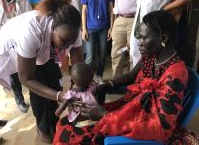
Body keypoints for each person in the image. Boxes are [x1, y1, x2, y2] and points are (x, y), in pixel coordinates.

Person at [53, 11, 189, 144]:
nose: (139, 43)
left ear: (163, 38)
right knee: (65, 122)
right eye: (138, 37)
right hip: (132, 109)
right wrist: (108, 84)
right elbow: (131, 75)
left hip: (144, 124)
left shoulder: (176, 73)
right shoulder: (151, 56)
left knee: (74, 135)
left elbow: (161, 127)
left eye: (143, 38)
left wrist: (105, 115)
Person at [0, 0, 83, 143]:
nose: (68, 45)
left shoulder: (72, 30)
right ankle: (42, 127)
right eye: (64, 40)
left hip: (46, 48)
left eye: (72, 41)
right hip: (17, 42)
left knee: (54, 81)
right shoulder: (31, 31)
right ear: (53, 28)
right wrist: (59, 96)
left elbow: (78, 64)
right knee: (38, 91)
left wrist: (78, 86)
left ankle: (51, 121)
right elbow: (26, 78)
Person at [130, 0, 199, 67]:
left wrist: (165, 9)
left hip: (154, 32)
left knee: (152, 68)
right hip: (140, 31)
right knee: (138, 65)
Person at [81, 0, 114, 84]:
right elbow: (84, 11)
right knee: (89, 57)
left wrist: (111, 28)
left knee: (102, 56)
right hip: (90, 28)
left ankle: (99, 76)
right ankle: (86, 80)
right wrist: (84, 29)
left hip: (104, 27)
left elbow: (111, 9)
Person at [111, 0, 140, 79]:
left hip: (134, 19)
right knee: (117, 52)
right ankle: (116, 82)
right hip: (119, 19)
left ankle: (133, 84)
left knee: (133, 53)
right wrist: (114, 22)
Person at [55, 62, 98, 127]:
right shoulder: (92, 86)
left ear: (72, 80)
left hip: (79, 124)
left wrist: (68, 100)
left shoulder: (71, 94)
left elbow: (57, 113)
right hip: (95, 120)